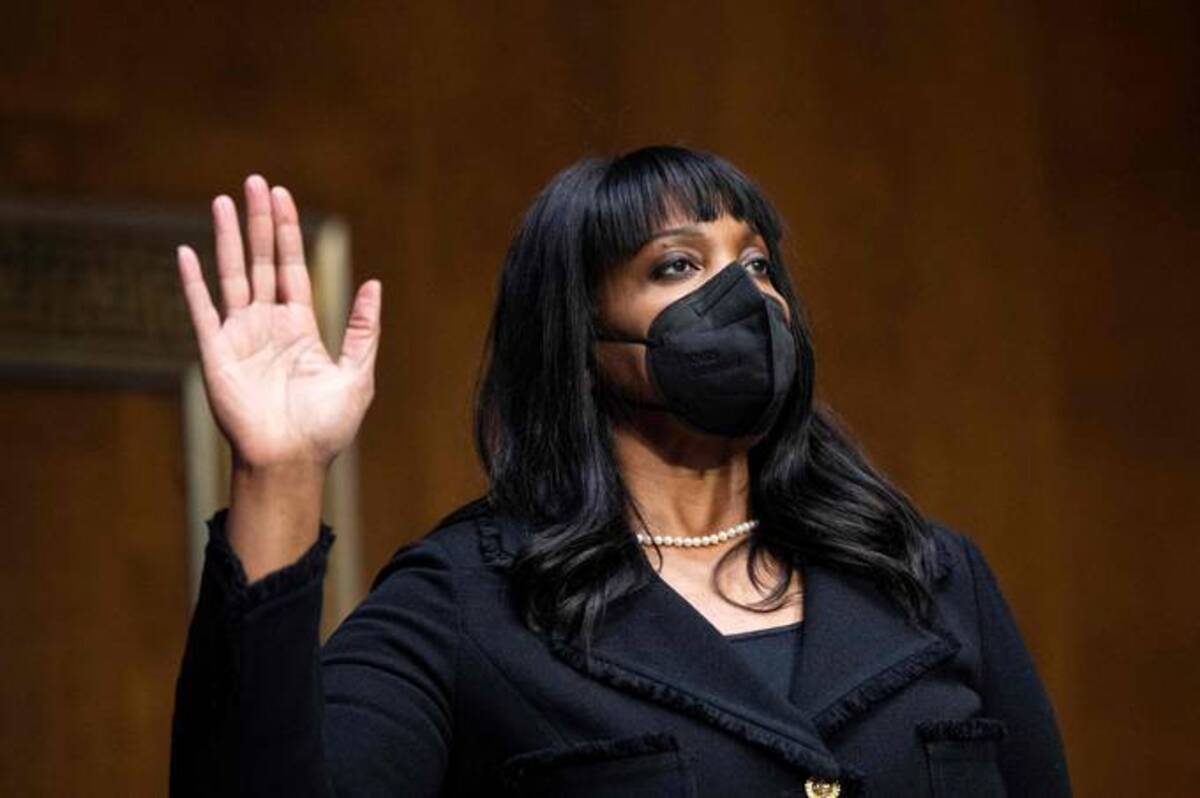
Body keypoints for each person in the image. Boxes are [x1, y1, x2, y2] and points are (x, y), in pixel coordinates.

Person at [169, 147, 1072, 797]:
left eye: (756, 263)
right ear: (578, 332)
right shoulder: (467, 601)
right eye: (678, 265)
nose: (747, 296)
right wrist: (279, 475)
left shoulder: (930, 574)